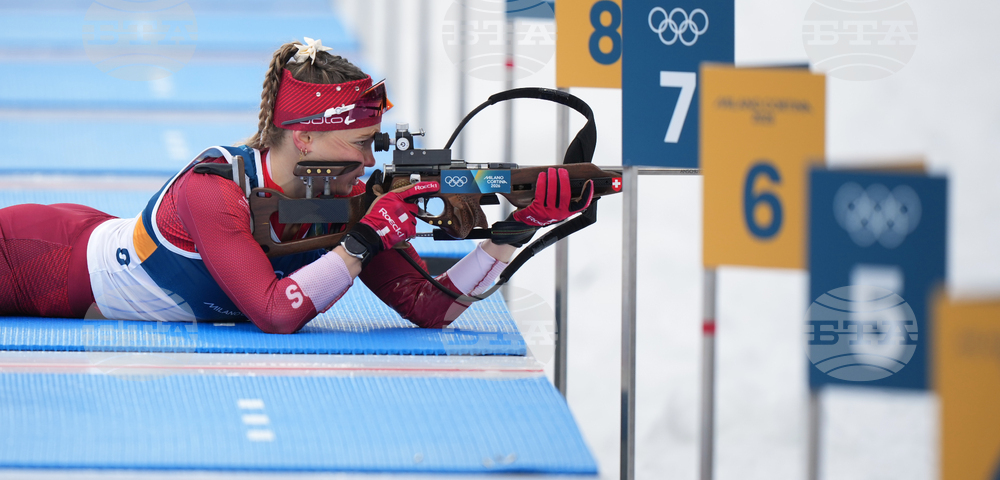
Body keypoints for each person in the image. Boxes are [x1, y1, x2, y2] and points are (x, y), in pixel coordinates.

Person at [0, 38, 590, 334]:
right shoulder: (214, 187)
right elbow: (274, 313)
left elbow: (429, 308)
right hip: (37, 258)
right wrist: (362, 243)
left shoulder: (346, 201)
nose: (371, 158)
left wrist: (515, 229)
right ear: (304, 138)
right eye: (359, 143)